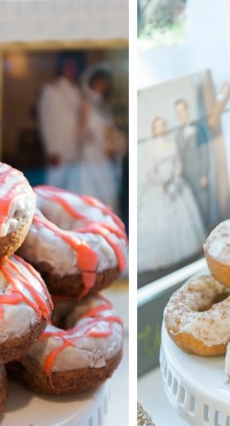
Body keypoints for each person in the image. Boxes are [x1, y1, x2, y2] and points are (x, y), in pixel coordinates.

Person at [138, 116, 206, 273]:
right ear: (153, 130)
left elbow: (178, 162)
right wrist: (163, 180)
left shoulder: (171, 143)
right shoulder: (151, 147)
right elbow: (148, 172)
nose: (160, 128)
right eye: (157, 126)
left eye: (162, 125)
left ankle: (188, 253)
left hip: (175, 180)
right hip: (160, 185)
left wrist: (175, 176)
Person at [64, 64, 124, 214]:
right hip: (91, 152)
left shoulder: (105, 107)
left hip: (104, 154)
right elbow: (82, 132)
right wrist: (100, 144)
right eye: (99, 82)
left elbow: (109, 131)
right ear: (93, 82)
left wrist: (112, 144)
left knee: (108, 189)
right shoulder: (86, 104)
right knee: (92, 188)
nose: (102, 85)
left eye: (105, 83)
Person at [38, 53, 82, 189]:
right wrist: (51, 150)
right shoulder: (51, 90)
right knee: (54, 187)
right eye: (67, 65)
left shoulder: (77, 91)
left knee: (72, 189)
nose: (70, 69)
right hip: (58, 150)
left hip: (75, 149)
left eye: (73, 66)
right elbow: (45, 121)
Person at [173, 98, 216, 231]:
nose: (181, 114)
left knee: (205, 210)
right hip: (188, 181)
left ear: (187, 110)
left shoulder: (199, 127)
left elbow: (205, 152)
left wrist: (204, 175)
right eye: (178, 112)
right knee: (195, 213)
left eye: (182, 110)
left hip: (199, 177)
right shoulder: (178, 135)